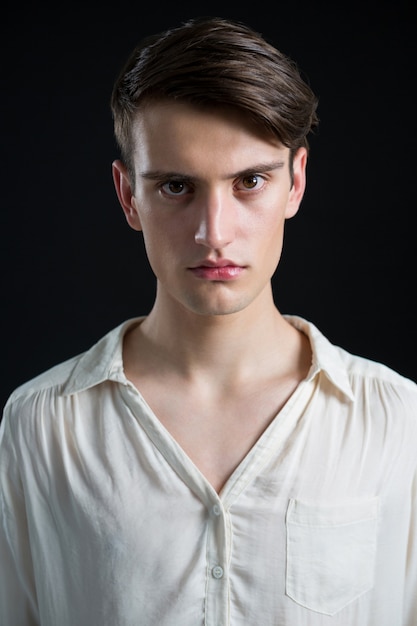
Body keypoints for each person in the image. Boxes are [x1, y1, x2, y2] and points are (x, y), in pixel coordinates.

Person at [0, 15, 416, 626]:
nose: (213, 232)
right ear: (127, 197)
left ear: (296, 182)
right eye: (176, 187)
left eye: (250, 181)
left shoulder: (397, 422)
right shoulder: (40, 427)